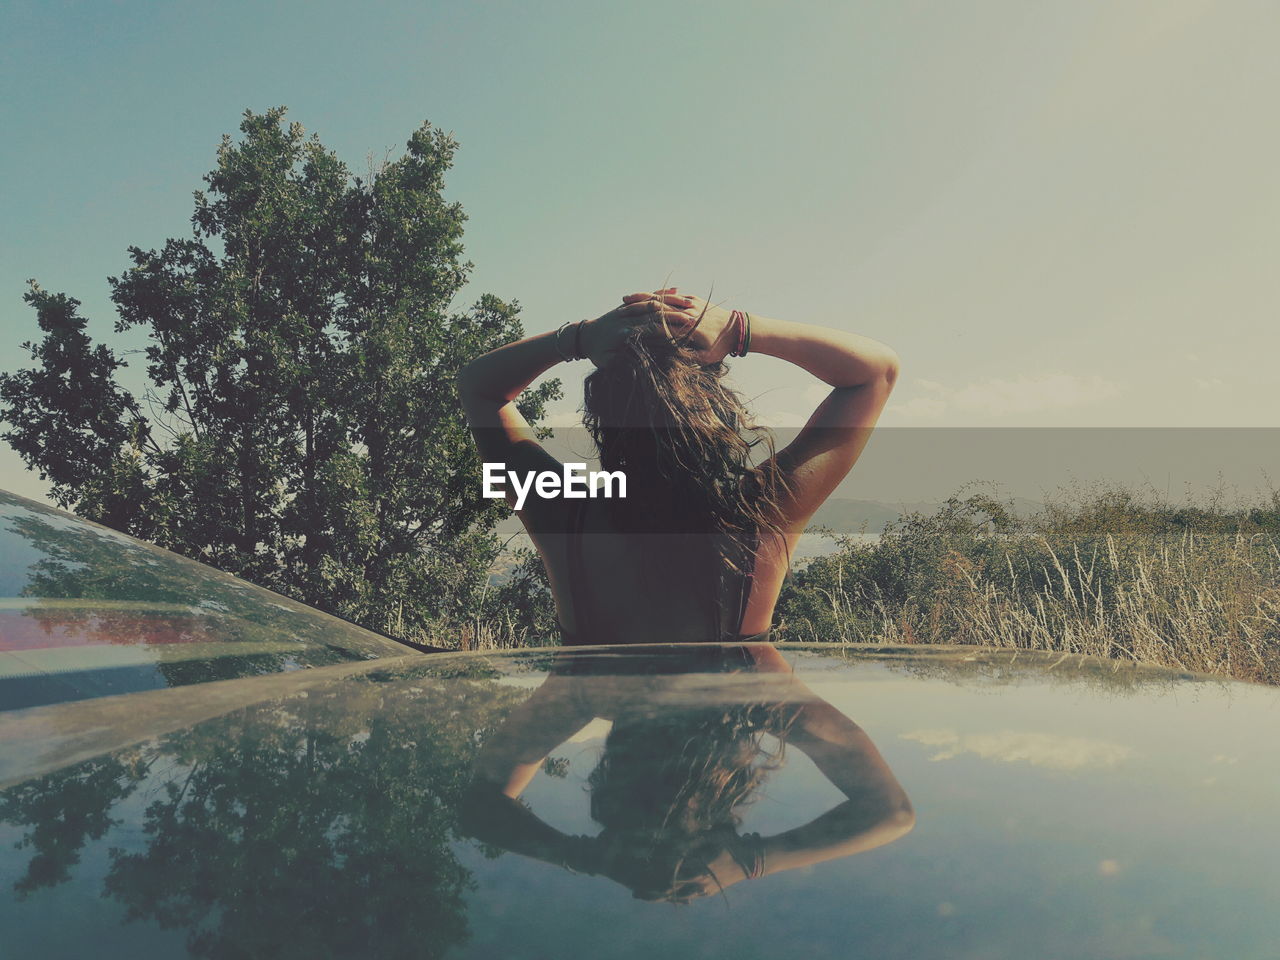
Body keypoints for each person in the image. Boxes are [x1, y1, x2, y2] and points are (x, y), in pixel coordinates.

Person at [458, 286, 899, 645]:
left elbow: (478, 387)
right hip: (733, 753)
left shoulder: (565, 512)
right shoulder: (763, 511)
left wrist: (580, 337)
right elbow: (875, 373)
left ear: (602, 418)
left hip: (623, 759)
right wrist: (737, 329)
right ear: (720, 408)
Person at [459, 643, 915, 903]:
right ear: (612, 758)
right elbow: (479, 806)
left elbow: (891, 813)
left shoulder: (753, 687)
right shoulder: (591, 683)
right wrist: (584, 856)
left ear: (735, 776)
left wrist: (751, 860)